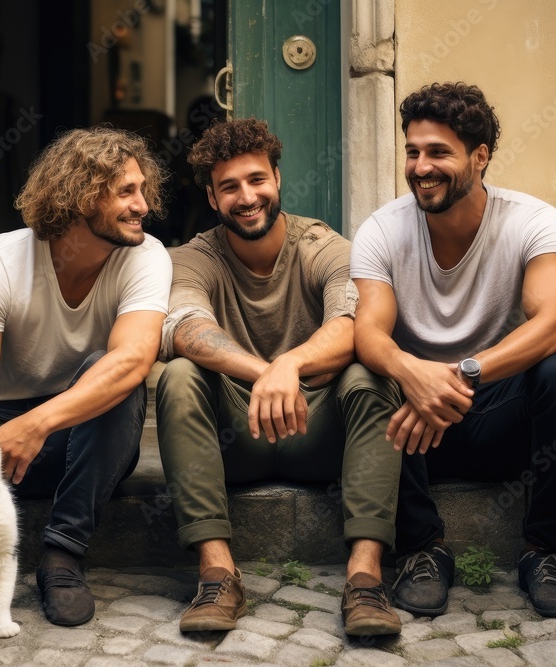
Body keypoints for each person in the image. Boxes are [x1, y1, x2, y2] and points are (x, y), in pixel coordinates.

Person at [0, 127, 172, 627]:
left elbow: (133, 359)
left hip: (82, 444)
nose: (143, 205)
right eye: (127, 192)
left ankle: (63, 556)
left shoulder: (146, 256)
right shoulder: (0, 262)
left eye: (143, 190)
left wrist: (36, 425)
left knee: (113, 375)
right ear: (82, 195)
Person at [351, 82, 556, 618]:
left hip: (496, 416)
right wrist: (412, 373)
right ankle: (422, 549)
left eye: (439, 152)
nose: (421, 166)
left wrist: (462, 374)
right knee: (369, 373)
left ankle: (545, 553)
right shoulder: (381, 230)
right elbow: (368, 330)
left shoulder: (532, 220)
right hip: (416, 432)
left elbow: (555, 326)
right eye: (413, 152)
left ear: (480, 156)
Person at [156, 118, 404, 637]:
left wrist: (290, 365)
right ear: (211, 196)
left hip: (315, 431)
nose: (246, 197)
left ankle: (365, 578)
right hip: (235, 436)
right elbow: (185, 329)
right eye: (229, 187)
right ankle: (218, 573)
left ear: (277, 179)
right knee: (179, 376)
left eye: (257, 180)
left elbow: (353, 325)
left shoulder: (324, 245)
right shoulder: (191, 259)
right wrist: (266, 373)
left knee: (370, 375)